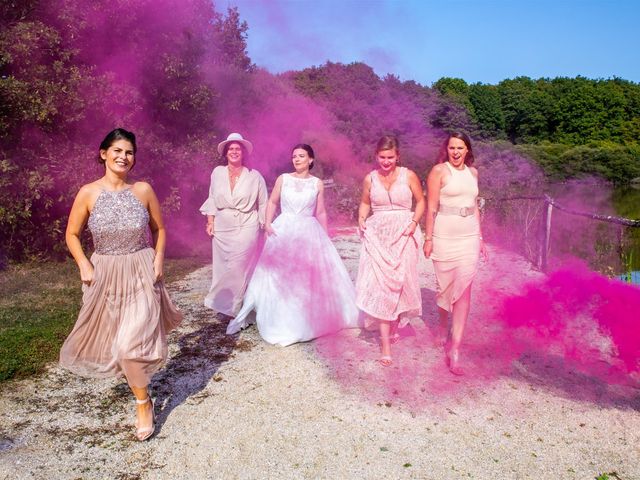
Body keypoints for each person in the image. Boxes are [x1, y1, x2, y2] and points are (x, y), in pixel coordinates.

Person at [60, 128, 182, 441]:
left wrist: (158, 259)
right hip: (105, 275)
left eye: (128, 152)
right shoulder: (88, 193)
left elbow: (161, 229)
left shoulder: (143, 190)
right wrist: (84, 263)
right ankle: (141, 386)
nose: (122, 157)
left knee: (130, 346)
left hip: (141, 269)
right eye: (116, 150)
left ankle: (143, 404)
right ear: (103, 153)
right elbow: (71, 234)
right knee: (116, 344)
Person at [226, 144, 359, 345]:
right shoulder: (283, 179)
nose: (296, 159)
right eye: (294, 156)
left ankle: (307, 317)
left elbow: (321, 211)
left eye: (301, 156)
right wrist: (268, 223)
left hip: (309, 230)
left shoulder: (317, 183)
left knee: (307, 274)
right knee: (280, 273)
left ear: (311, 160)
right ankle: (281, 316)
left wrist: (325, 237)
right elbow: (272, 202)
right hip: (284, 228)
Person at [355, 135, 425, 366]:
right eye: (382, 157)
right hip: (378, 235)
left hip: (404, 233)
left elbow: (421, 201)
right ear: (376, 156)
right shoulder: (370, 178)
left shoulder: (409, 175)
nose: (386, 161)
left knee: (401, 283)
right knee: (381, 286)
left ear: (398, 157)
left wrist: (414, 223)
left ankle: (395, 324)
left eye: (390, 157)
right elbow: (365, 202)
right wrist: (361, 218)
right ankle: (385, 345)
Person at [423, 131, 488, 375]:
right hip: (444, 235)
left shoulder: (473, 173)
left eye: (460, 148)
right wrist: (428, 238)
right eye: (452, 148)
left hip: (468, 236)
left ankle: (455, 347)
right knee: (445, 289)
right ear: (447, 149)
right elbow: (430, 209)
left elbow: (475, 207)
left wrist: (481, 238)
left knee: (464, 291)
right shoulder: (438, 171)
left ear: (467, 150)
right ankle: (442, 325)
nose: (456, 152)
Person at [200, 133, 268, 317]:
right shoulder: (217, 172)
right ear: (226, 152)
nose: (234, 151)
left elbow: (263, 203)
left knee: (239, 265)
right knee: (223, 267)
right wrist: (210, 222)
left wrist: (265, 226)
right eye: (231, 148)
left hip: (247, 224)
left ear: (243, 152)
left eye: (238, 149)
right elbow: (212, 198)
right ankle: (229, 304)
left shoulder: (254, 176)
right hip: (222, 226)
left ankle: (233, 309)